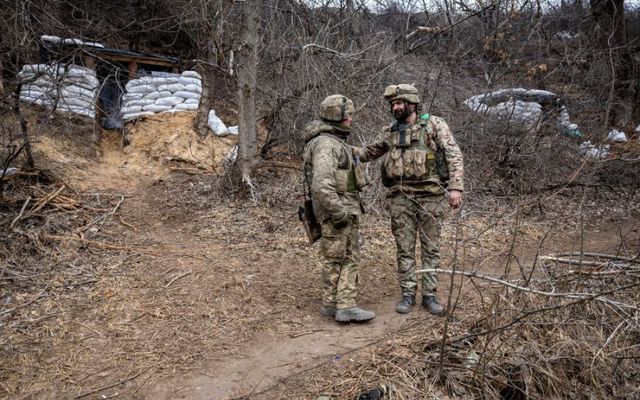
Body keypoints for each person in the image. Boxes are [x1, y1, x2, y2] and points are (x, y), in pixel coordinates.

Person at [353, 84, 464, 315]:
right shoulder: (391, 131)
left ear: (412, 103)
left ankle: (430, 295)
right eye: (392, 104)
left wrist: (455, 188)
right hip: (400, 198)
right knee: (404, 249)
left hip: (430, 197)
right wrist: (338, 149)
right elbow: (368, 153)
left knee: (430, 248)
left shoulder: (434, 124)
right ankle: (407, 294)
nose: (395, 107)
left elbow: (453, 154)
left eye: (399, 103)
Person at [302, 94, 375, 323]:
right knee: (348, 257)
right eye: (349, 115)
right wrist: (339, 212)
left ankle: (331, 303)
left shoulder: (333, 141)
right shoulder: (327, 144)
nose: (351, 120)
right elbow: (321, 184)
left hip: (336, 210)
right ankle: (346, 306)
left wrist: (385, 142)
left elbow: (360, 154)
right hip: (339, 212)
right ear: (338, 116)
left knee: (333, 257)